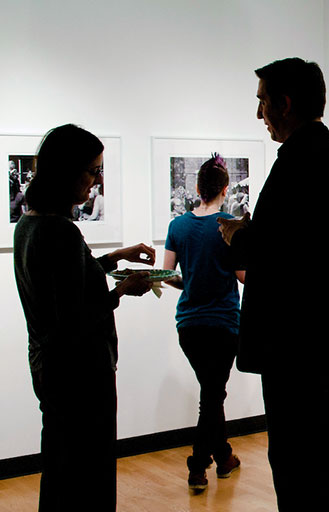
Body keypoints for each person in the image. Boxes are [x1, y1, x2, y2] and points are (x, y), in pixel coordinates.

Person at [218, 57, 329, 511]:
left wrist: (237, 235)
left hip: (296, 346)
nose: (259, 114)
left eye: (263, 102)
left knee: (295, 459)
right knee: (325, 452)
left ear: (284, 104)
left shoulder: (297, 164)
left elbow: (272, 255)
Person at [13, 124, 155, 511]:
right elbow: (75, 314)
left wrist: (116, 257)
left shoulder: (30, 224)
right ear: (68, 170)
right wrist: (122, 291)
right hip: (80, 375)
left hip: (50, 368)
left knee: (60, 467)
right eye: (93, 170)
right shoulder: (59, 230)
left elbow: (69, 279)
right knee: (86, 473)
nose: (96, 180)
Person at [162, 153, 246, 492]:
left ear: (197, 188)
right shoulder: (229, 225)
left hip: (189, 325)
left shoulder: (177, 226)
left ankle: (224, 456)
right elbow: (243, 276)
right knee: (212, 395)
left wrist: (192, 280)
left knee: (212, 393)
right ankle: (198, 465)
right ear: (225, 189)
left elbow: (168, 274)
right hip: (224, 323)